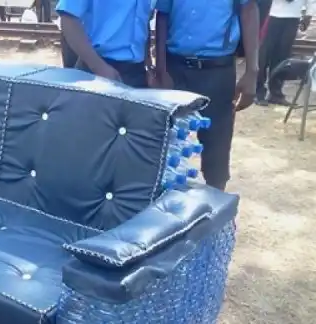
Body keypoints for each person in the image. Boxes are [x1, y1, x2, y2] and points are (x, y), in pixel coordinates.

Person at [155, 0, 260, 191]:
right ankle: (164, 202)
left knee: (217, 148)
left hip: (217, 70)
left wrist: (252, 71)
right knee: (165, 144)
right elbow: (162, 16)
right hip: (175, 69)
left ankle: (215, 202)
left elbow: (249, 11)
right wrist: (161, 70)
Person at [56, 0, 157, 88]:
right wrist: (99, 67)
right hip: (96, 71)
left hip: (138, 73)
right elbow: (68, 17)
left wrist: (148, 66)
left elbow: (142, 24)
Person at [256, 0, 314, 106]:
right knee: (263, 55)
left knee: (283, 57)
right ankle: (258, 92)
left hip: (293, 16)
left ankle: (276, 93)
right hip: (272, 14)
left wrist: (308, 14)